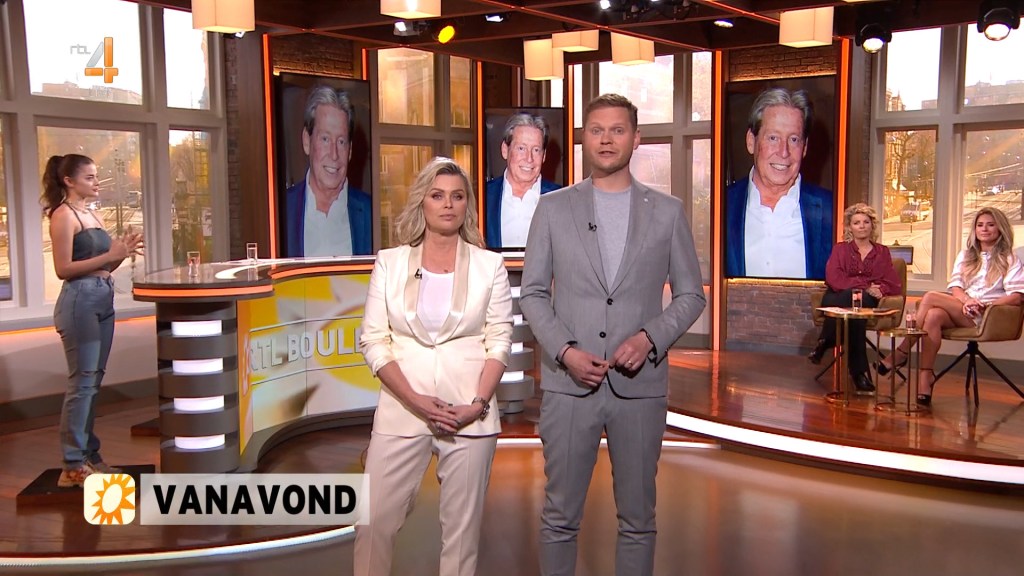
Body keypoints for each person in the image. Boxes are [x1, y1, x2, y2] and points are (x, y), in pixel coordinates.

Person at [520, 94, 706, 576]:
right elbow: (533, 293)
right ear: (584, 138)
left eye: (617, 130)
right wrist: (565, 351)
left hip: (640, 389)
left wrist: (649, 338)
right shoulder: (552, 208)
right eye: (597, 130)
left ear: (636, 139)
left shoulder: (667, 212)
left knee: (638, 520)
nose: (606, 139)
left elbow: (691, 295)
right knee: (559, 517)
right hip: (568, 388)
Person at [354, 157, 513, 576]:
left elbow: (499, 341)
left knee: (460, 537)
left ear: (467, 205)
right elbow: (373, 340)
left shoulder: (489, 266)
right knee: (372, 522)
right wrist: (416, 400)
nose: (448, 205)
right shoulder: (390, 263)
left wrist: (477, 404)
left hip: (469, 413)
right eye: (438, 195)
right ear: (422, 202)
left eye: (457, 197)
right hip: (402, 409)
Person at [42, 154, 144, 488]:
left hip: (102, 295)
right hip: (79, 301)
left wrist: (121, 255)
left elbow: (104, 265)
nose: (97, 182)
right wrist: (110, 254)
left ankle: (88, 455)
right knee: (82, 382)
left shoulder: (93, 214)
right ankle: (72, 465)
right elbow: (63, 269)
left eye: (96, 176)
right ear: (69, 181)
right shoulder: (63, 215)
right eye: (89, 177)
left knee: (94, 380)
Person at [877, 207, 1024, 405]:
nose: (984, 229)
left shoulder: (1010, 259)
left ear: (1000, 229)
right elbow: (956, 287)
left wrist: (986, 305)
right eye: (980, 225)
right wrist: (966, 301)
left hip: (988, 315)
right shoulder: (966, 256)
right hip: (964, 310)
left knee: (930, 296)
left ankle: (902, 352)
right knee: (933, 316)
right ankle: (926, 376)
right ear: (975, 229)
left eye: (990, 225)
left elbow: (1017, 296)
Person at [725, 87, 833, 279]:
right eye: (773, 138)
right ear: (751, 141)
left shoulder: (833, 211)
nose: (784, 152)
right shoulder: (721, 207)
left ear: (804, 147)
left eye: (794, 139)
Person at [808, 204, 901, 392]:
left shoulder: (882, 252)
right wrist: (866, 285)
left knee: (856, 310)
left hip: (864, 301)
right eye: (857, 222)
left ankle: (826, 341)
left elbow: (893, 282)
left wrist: (881, 289)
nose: (862, 226)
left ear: (872, 225)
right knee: (854, 307)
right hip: (837, 296)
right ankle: (859, 375)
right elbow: (834, 279)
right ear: (850, 227)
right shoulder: (840, 249)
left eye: (866, 222)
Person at [282, 85, 372, 257]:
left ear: (350, 150)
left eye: (341, 142)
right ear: (307, 141)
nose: (334, 154)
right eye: (325, 139)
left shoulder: (371, 214)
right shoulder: (282, 212)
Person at [484, 112, 562, 248]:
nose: (529, 158)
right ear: (505, 150)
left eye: (536, 150)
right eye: (521, 148)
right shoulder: (482, 197)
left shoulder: (562, 200)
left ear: (544, 156)